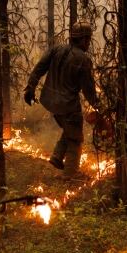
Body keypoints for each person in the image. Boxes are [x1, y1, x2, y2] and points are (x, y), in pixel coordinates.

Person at [23, 21, 102, 179]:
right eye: (87, 40)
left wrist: (30, 87)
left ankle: (57, 157)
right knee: (76, 138)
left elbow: (39, 68)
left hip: (50, 101)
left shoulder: (56, 49)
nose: (88, 43)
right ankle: (70, 175)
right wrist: (99, 107)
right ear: (82, 39)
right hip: (67, 106)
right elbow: (89, 90)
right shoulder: (83, 60)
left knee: (69, 129)